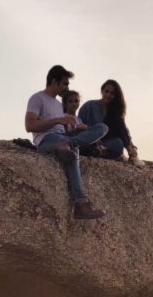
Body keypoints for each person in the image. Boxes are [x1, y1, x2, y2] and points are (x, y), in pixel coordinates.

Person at [25, 66, 108, 219]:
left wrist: (76, 129)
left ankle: (66, 146)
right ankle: (81, 204)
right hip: (46, 140)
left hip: (64, 139)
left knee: (102, 128)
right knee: (71, 148)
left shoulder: (58, 104)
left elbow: (64, 131)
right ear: (54, 81)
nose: (67, 87)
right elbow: (29, 126)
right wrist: (58, 120)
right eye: (64, 84)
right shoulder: (37, 98)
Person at [79, 80, 144, 165]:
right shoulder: (89, 105)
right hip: (90, 141)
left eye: (112, 93)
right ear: (102, 90)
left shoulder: (114, 112)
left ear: (115, 96)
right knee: (89, 146)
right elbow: (79, 124)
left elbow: (123, 129)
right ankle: (102, 151)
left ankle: (127, 152)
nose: (108, 95)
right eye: (106, 91)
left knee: (118, 143)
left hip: (106, 144)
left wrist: (132, 146)